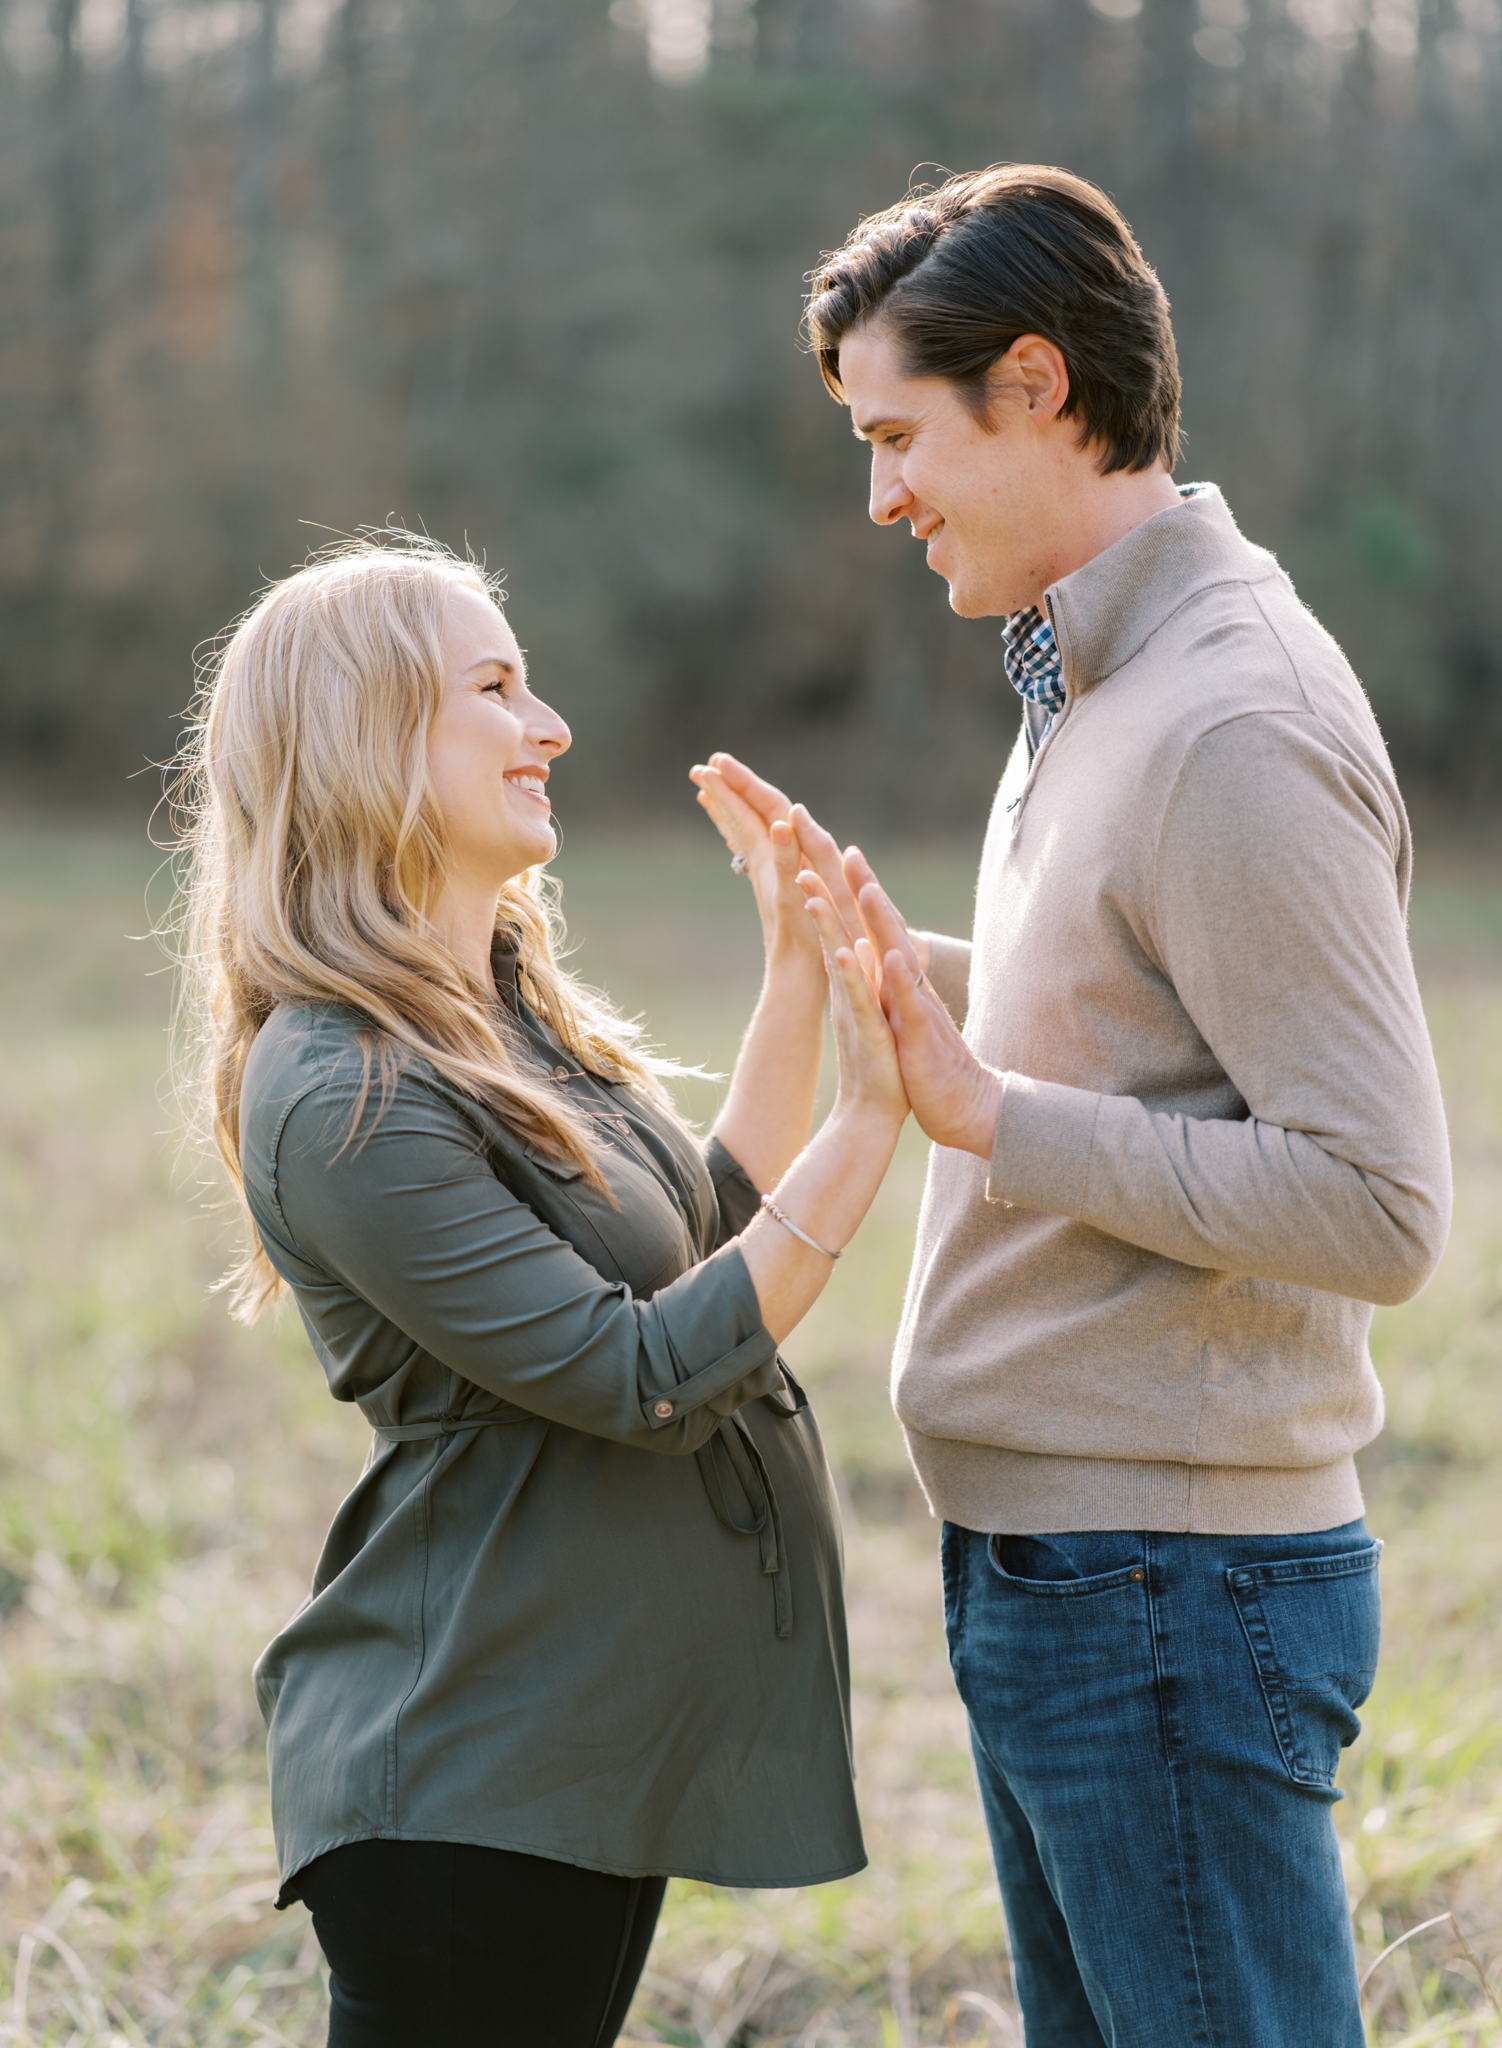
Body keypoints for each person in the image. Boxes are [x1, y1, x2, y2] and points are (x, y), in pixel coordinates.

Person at [714, 164, 1453, 2047]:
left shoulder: (1231, 720)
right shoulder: (1090, 677)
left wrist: (984, 1117)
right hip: (1078, 1576)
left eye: (898, 437)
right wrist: (889, 958)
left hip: (1166, 1593)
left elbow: (1376, 1204)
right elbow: (1132, 1017)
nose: (878, 497)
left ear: (1035, 385)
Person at [174, 534, 910, 2048]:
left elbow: (708, 1234)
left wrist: (792, 977)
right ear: (368, 740)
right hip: (465, 1772)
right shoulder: (340, 1084)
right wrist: (870, 1118)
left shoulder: (497, 1019)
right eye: (497, 688)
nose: (551, 725)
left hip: (565, 1754)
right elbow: (637, 1372)